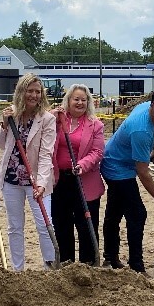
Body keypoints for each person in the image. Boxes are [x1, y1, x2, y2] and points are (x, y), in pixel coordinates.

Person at [101, 85, 154, 273]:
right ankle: (136, 266)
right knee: (137, 214)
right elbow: (143, 173)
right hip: (116, 167)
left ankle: (110, 257)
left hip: (124, 159)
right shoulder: (141, 129)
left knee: (115, 211)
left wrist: (149, 150)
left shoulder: (147, 110)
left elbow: (153, 134)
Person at [0, 74, 57, 271]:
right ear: (21, 92)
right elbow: (1, 145)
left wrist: (40, 183)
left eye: (37, 91)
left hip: (36, 182)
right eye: (29, 91)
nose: (33, 95)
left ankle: (50, 267)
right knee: (15, 227)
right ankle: (17, 269)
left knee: (44, 224)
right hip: (11, 179)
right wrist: (4, 125)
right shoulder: (12, 115)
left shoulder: (47, 119)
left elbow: (46, 154)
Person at [51, 84, 105, 264]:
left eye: (84, 99)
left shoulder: (95, 125)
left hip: (84, 181)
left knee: (86, 225)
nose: (80, 103)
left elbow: (97, 152)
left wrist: (82, 165)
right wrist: (51, 116)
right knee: (62, 224)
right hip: (59, 180)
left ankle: (87, 264)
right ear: (68, 100)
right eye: (76, 99)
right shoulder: (57, 119)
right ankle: (66, 263)